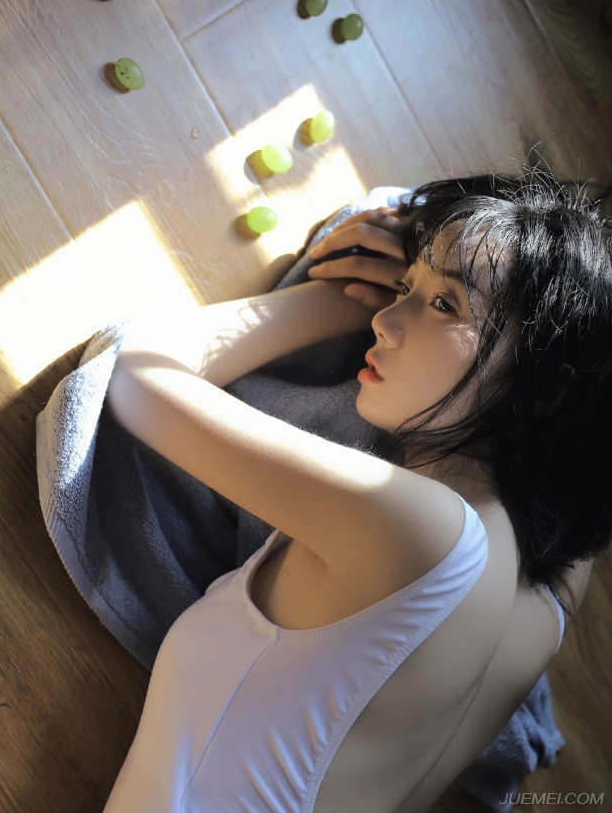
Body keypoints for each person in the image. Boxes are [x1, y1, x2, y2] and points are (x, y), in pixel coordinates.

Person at [102, 167, 612, 813]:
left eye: (445, 304)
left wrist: (335, 297)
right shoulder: (548, 605)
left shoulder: (418, 527)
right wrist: (441, 280)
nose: (384, 319)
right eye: (403, 287)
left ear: (548, 387)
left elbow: (132, 376)